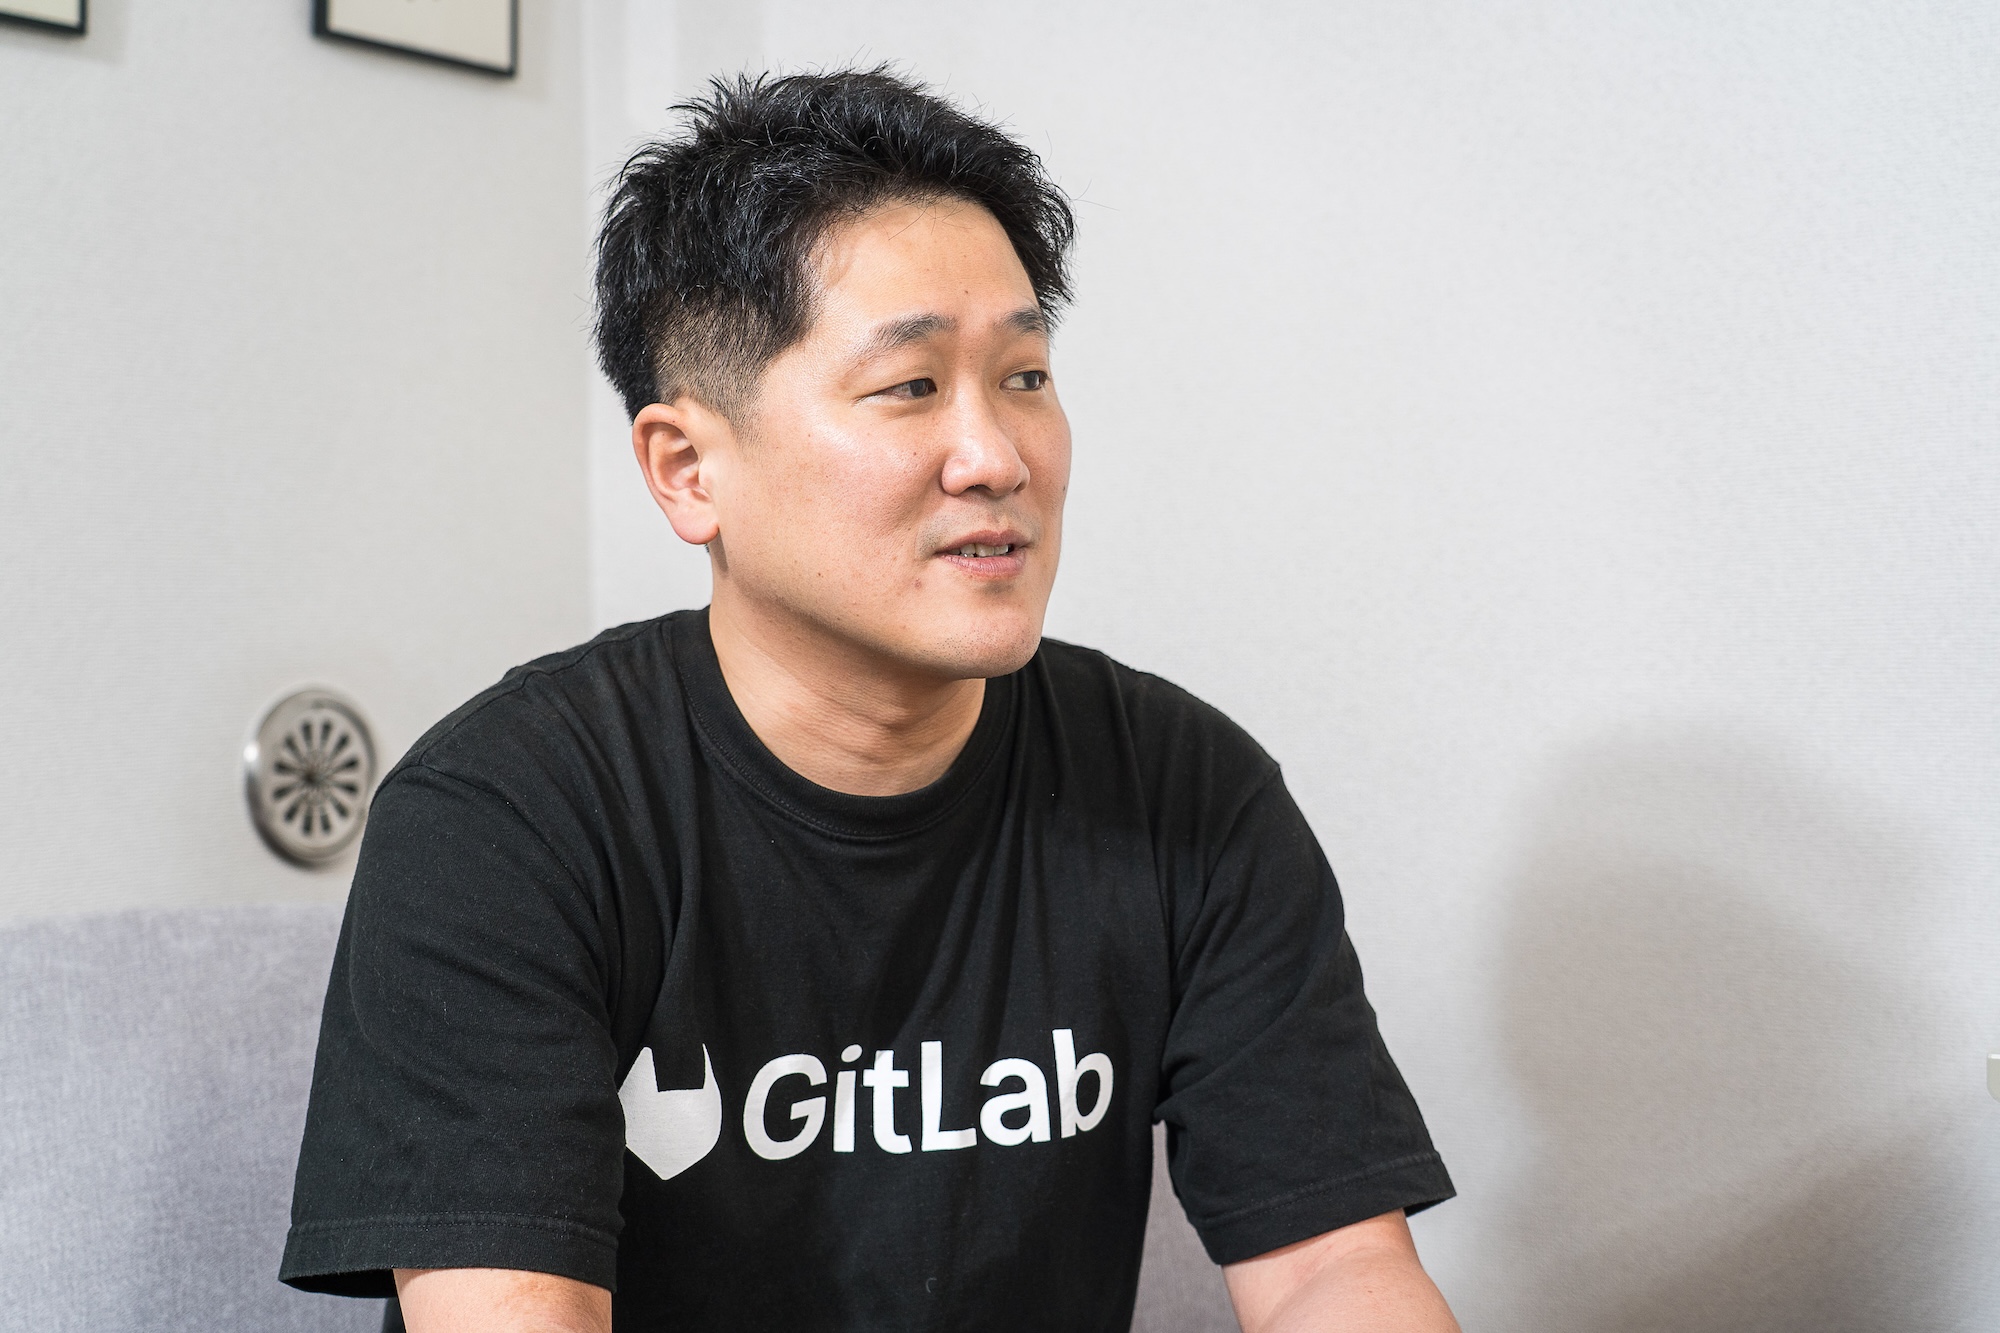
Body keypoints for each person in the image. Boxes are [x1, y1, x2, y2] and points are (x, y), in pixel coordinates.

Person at [280, 68, 1459, 1333]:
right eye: (911, 386)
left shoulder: (1183, 788)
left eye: (1024, 375)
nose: (996, 456)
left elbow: (1332, 1270)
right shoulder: (502, 819)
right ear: (688, 469)